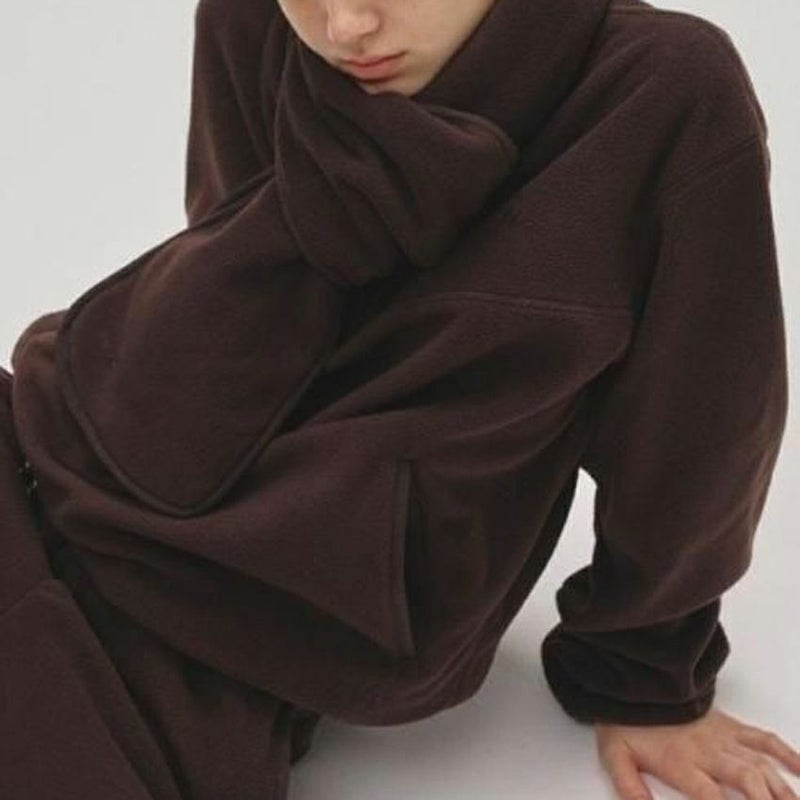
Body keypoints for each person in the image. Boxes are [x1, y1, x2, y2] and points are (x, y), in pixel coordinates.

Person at [2, 1, 796, 799]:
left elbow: (701, 427)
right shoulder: (255, 18)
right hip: (92, 436)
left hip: (281, 598)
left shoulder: (662, 93)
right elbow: (225, 266)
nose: (345, 27)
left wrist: (646, 674)